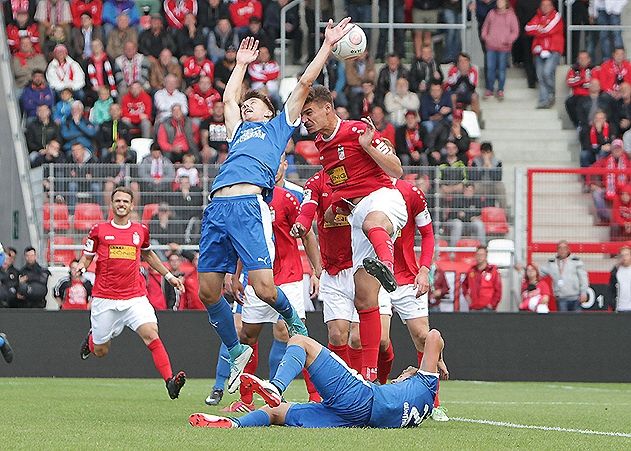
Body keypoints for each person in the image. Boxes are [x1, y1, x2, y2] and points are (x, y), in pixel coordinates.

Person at [198, 21, 355, 394]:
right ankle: (236, 352)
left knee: (266, 289)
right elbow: (227, 99)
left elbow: (302, 84)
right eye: (246, 103)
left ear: (268, 112)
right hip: (217, 207)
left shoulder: (278, 127)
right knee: (207, 291)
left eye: (253, 103)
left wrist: (328, 46)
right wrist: (239, 64)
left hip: (248, 203)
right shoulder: (238, 130)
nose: (245, 105)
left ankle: (295, 324)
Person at [298, 85, 407, 382]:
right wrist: (338, 206)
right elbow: (344, 185)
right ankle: (367, 378)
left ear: (327, 109)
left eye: (309, 113)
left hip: (384, 200)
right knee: (365, 301)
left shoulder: (359, 130)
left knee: (373, 222)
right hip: (358, 217)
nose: (305, 120)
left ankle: (387, 263)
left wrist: (370, 146)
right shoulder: (322, 146)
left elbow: (397, 170)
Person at [189, 329, 448, 429]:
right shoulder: (421, 406)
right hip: (353, 420)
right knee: (275, 413)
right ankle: (235, 425)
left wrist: (439, 360)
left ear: (411, 375)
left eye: (402, 373)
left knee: (300, 342)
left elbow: (434, 336)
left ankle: (276, 386)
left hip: (360, 397)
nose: (397, 377)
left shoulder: (425, 382)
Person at [77, 187, 187, 399]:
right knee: (101, 351)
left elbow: (148, 255)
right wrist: (81, 266)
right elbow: (87, 256)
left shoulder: (141, 231)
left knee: (151, 333)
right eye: (117, 200)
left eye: (125, 201)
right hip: (105, 299)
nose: (121, 204)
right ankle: (92, 340)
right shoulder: (98, 230)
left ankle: (170, 381)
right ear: (112, 204)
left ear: (132, 205)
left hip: (134, 297)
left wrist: (169, 276)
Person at [375, 178, 449, 421]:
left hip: (407, 278)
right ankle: (380, 387)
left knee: (423, 338)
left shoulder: (411, 192)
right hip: (376, 276)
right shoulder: (364, 187)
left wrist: (424, 269)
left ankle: (433, 403)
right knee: (381, 340)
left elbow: (427, 235)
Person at [525, 0, 564, 109]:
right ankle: (544, 100)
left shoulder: (556, 15)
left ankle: (551, 93)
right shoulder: (537, 16)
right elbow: (527, 28)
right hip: (539, 51)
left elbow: (548, 29)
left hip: (553, 50)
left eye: (548, 5)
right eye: (543, 5)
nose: (545, 7)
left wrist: (537, 29)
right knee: (540, 76)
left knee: (547, 72)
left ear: (552, 6)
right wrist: (540, 28)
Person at [481, 0, 519, 99]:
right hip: (491, 47)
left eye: (501, 1)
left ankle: (500, 89)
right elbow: (485, 28)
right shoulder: (491, 13)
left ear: (506, 2)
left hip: (504, 48)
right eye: (498, 1)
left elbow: (515, 31)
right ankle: (489, 89)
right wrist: (486, 38)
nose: (499, 3)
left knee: (501, 69)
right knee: (490, 68)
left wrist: (508, 40)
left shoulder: (511, 15)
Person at [539, 240, 589, 312]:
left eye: (564, 248)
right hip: (561, 298)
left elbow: (583, 278)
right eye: (560, 248)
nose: (562, 250)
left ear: (568, 250)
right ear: (557, 250)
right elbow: (539, 273)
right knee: (563, 321)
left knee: (577, 321)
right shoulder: (552, 263)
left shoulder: (575, 261)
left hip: (575, 297)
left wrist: (583, 292)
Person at [461, 245, 502, 311]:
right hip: (474, 307)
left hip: (488, 308)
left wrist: (492, 304)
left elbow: (498, 290)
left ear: (486, 256)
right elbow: (464, 285)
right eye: (478, 254)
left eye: (482, 255)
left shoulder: (493, 271)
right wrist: (467, 296)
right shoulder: (471, 270)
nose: (480, 257)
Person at [469, 141, 505, 208]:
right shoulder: (476, 161)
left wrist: (490, 168)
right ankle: (474, 210)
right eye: (483, 153)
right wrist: (483, 168)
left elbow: (498, 178)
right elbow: (473, 177)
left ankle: (504, 212)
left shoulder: (497, 162)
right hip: (481, 185)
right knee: (473, 187)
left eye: (487, 153)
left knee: (500, 186)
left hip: (492, 185)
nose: (485, 155)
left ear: (491, 153)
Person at [565, 51, 595, 129]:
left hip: (590, 95)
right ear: (578, 60)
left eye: (585, 58)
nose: (583, 60)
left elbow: (595, 83)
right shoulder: (574, 69)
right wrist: (583, 80)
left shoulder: (594, 69)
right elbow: (569, 82)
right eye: (581, 58)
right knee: (569, 102)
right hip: (577, 95)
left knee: (582, 103)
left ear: (589, 59)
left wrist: (579, 82)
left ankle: (584, 126)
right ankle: (577, 125)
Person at [608, 246, 631, 312]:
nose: (624, 257)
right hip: (620, 308)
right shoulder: (616, 272)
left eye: (627, 255)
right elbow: (611, 289)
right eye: (622, 255)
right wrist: (613, 304)